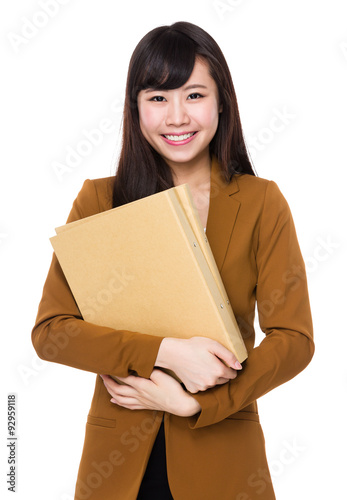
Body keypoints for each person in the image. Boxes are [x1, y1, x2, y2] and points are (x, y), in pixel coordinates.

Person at [31, 21, 314, 500]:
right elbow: (51, 333)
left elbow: (294, 339)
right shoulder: (100, 199)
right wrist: (165, 352)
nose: (177, 116)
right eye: (158, 98)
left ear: (222, 101)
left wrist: (194, 404)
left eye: (195, 95)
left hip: (224, 459)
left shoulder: (262, 202)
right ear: (135, 108)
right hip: (118, 465)